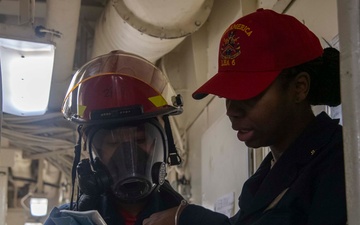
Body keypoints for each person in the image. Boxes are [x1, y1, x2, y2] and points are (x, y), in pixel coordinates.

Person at [143, 8, 346, 225]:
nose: (231, 110)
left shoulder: (341, 163)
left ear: (299, 87)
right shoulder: (266, 176)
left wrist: (191, 219)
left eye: (248, 93)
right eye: (227, 95)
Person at [44, 50, 185, 225]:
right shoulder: (65, 222)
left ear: (165, 142)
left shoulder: (187, 219)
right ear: (92, 150)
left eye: (140, 140)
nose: (129, 154)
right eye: (113, 142)